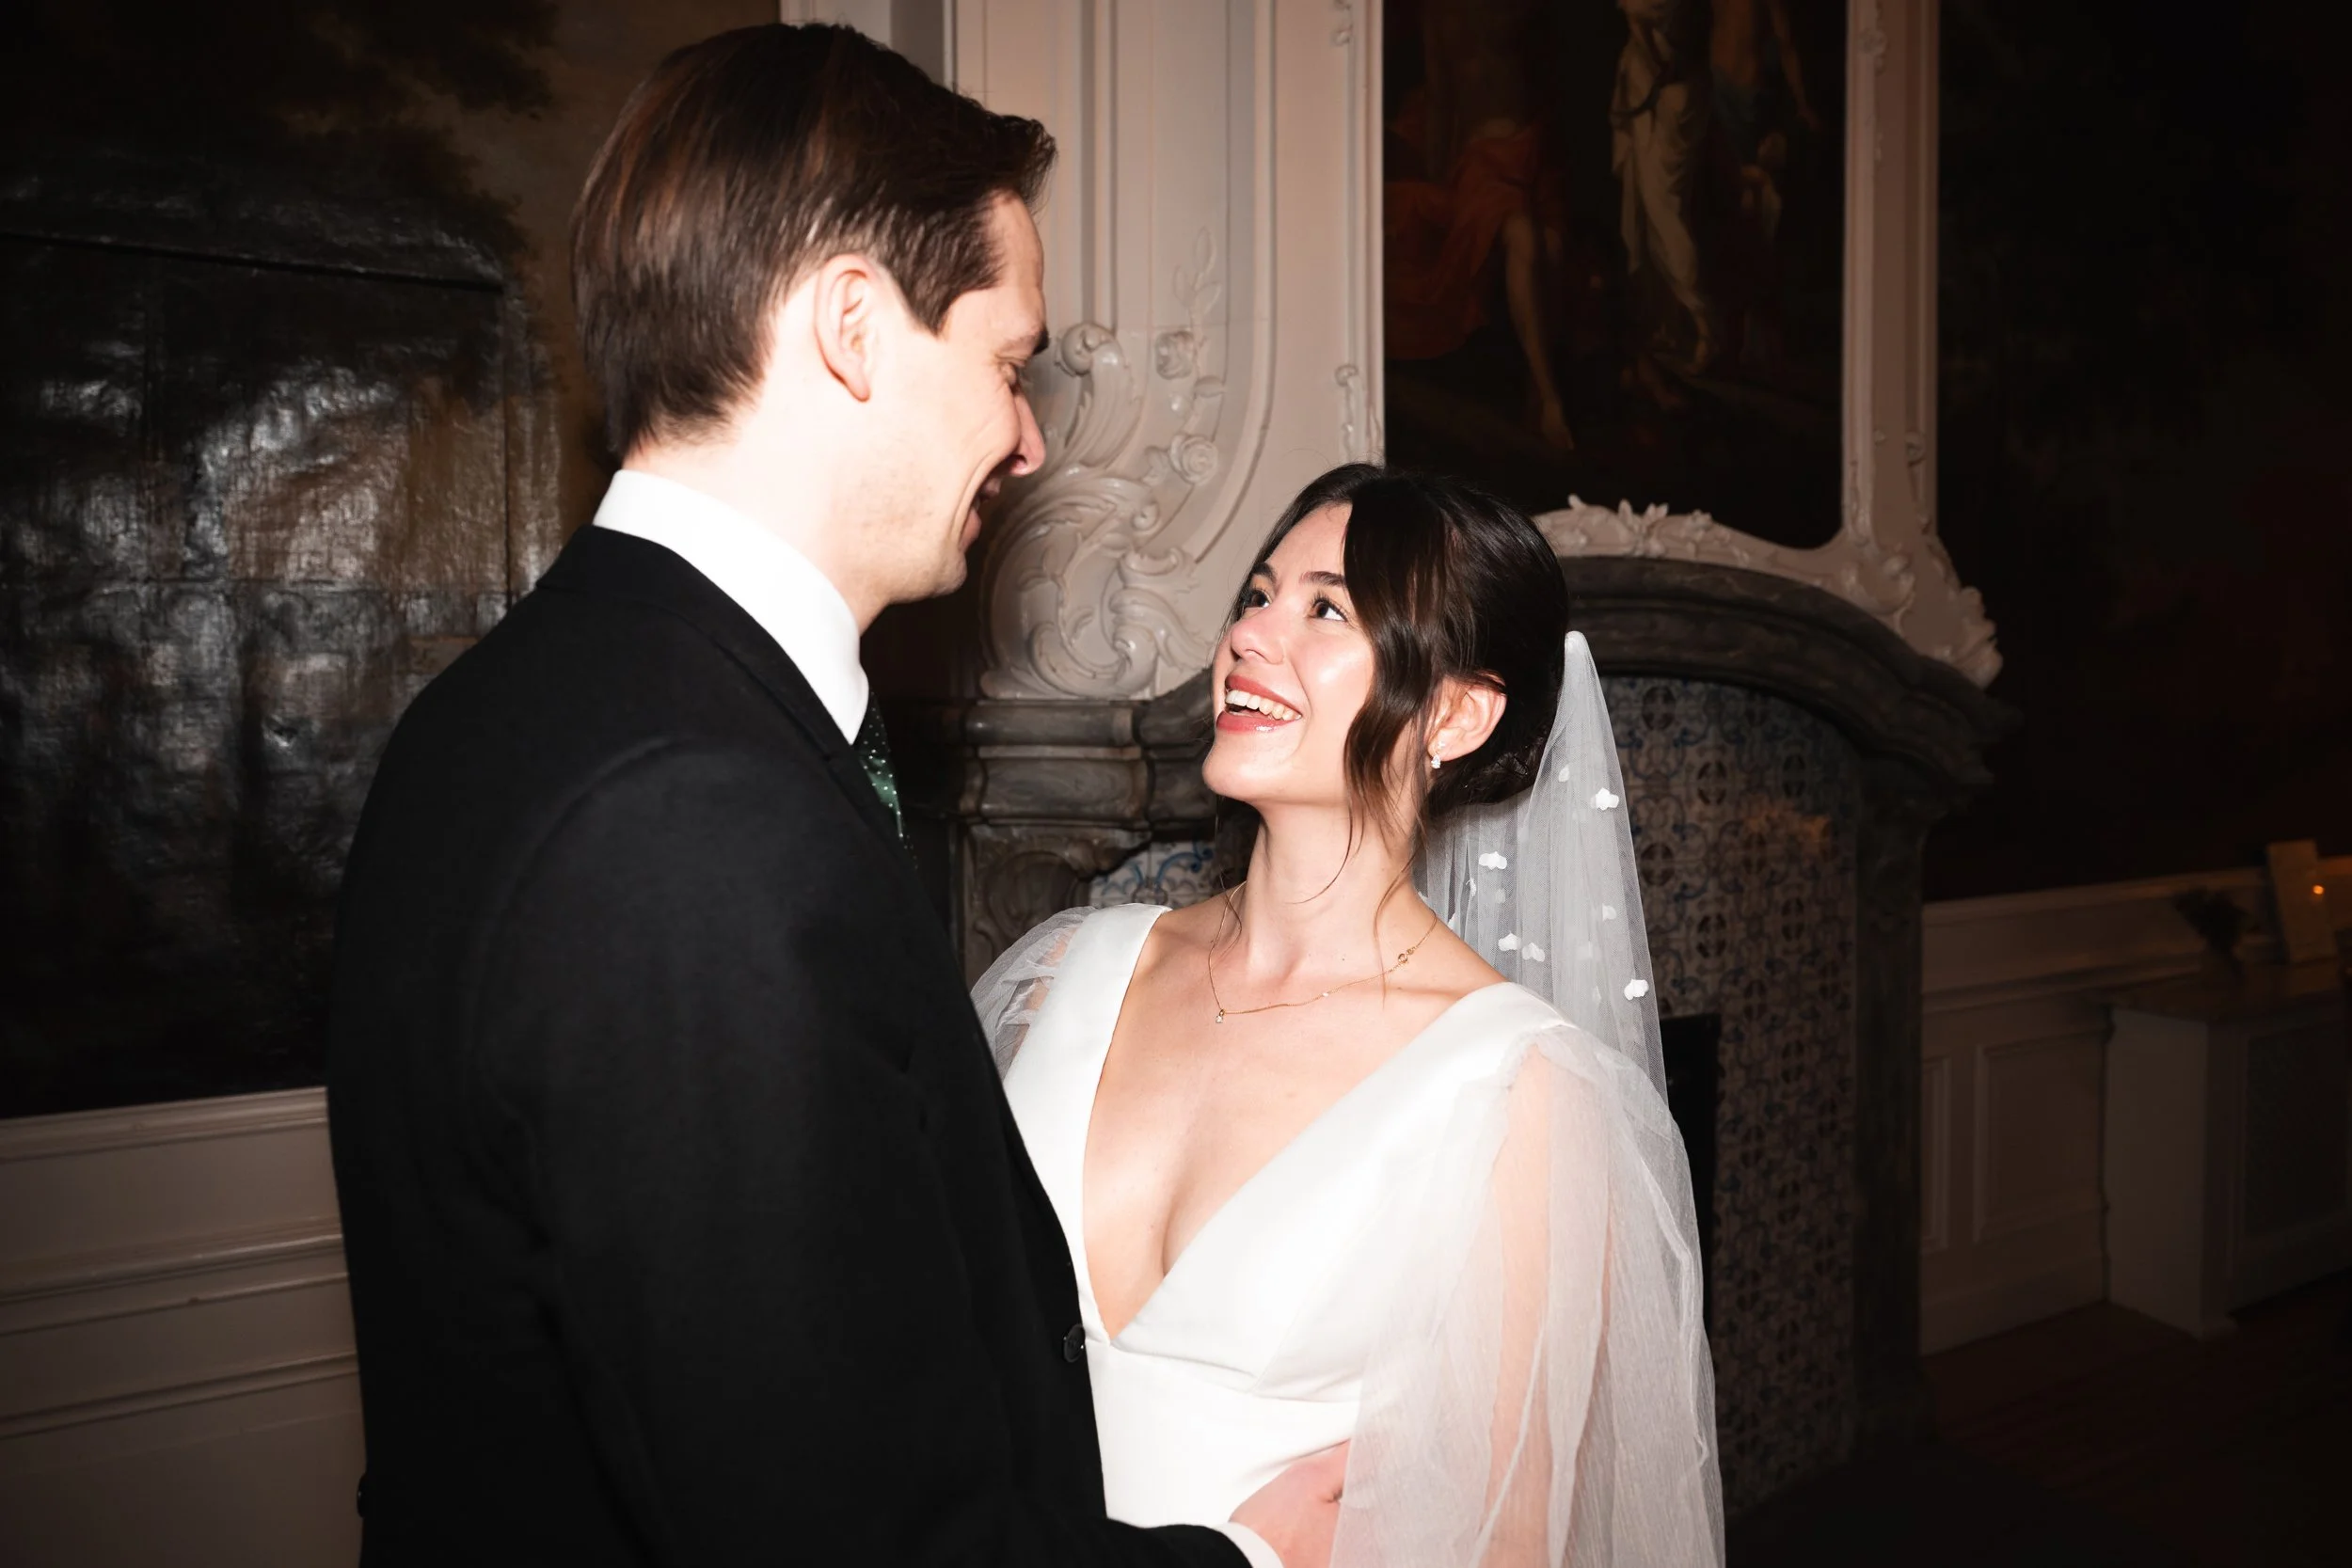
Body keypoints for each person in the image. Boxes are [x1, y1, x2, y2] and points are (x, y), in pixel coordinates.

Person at [326, 24, 1340, 1567]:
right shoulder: (690, 824)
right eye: (1007, 365)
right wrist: (1257, 1559)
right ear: (856, 328)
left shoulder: (520, 702)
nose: (1029, 436)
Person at [976, 466, 1724, 1565]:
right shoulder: (1070, 969)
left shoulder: (1520, 1095)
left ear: (1455, 713)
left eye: (1325, 608)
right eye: (1258, 593)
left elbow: (1508, 1543)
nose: (1251, 635)